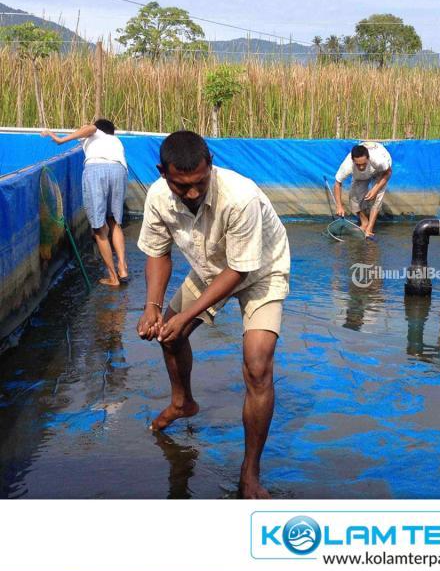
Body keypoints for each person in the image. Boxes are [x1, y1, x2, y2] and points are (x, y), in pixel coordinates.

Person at [136, 130, 290, 499]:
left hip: (261, 270)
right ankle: (182, 402)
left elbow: (239, 271)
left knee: (257, 366)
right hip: (209, 268)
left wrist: (188, 312)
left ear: (210, 166)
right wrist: (152, 307)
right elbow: (158, 252)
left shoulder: (240, 197)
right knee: (168, 332)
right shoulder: (158, 196)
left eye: (199, 183)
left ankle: (249, 473)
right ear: (163, 172)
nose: (191, 193)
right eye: (181, 185)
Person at [41, 119, 128, 286]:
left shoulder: (96, 132)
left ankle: (113, 277)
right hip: (119, 170)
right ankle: (122, 266)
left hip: (96, 170)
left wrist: (60, 140)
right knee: (114, 221)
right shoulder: (116, 141)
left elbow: (90, 128)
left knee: (98, 227)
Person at [333, 142, 393, 238]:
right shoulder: (347, 165)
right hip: (361, 176)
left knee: (376, 198)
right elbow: (337, 183)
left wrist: (375, 189)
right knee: (353, 197)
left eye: (363, 164)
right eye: (358, 164)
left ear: (368, 159)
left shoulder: (379, 160)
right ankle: (364, 222)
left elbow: (389, 172)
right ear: (353, 161)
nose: (361, 167)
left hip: (380, 171)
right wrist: (339, 206)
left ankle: (369, 228)